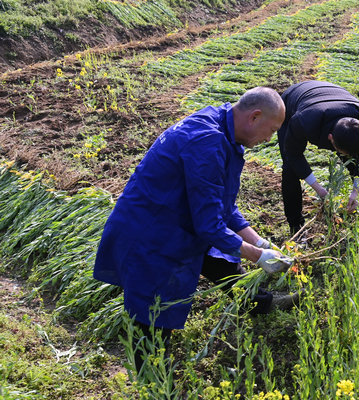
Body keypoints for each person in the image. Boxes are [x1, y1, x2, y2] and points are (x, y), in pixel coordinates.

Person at [94, 86, 291, 363]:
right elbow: (209, 226)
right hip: (152, 232)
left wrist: (259, 243)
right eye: (271, 131)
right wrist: (258, 257)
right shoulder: (207, 144)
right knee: (153, 315)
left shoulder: (222, 121)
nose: (269, 139)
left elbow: (222, 206)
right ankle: (154, 386)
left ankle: (258, 302)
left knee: (220, 261)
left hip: (175, 218)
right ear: (255, 117)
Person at [277, 80, 359, 234]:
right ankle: (296, 225)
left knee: (357, 165)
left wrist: (356, 192)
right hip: (293, 101)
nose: (344, 156)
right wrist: (320, 190)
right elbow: (293, 154)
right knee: (290, 169)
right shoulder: (303, 121)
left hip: (331, 96)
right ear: (330, 138)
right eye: (342, 151)